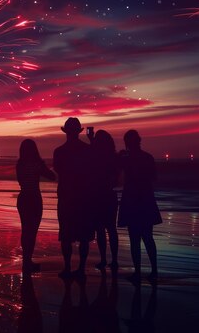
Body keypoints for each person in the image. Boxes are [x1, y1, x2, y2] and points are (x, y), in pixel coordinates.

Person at [53, 117, 94, 278]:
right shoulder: (87, 150)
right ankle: (81, 268)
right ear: (78, 132)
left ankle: (68, 267)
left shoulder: (59, 151)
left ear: (66, 132)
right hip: (83, 196)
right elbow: (93, 169)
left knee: (66, 235)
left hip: (66, 195)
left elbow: (59, 171)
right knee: (83, 236)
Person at [118, 130, 161, 283]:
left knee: (135, 238)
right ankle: (154, 270)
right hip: (145, 198)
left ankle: (138, 271)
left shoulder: (126, 159)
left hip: (132, 198)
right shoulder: (147, 157)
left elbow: (115, 172)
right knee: (147, 236)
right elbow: (154, 177)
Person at [16, 139, 56, 273]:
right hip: (33, 198)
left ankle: (26, 261)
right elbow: (51, 176)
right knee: (32, 231)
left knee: (25, 230)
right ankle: (28, 262)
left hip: (23, 197)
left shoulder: (20, 164)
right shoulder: (37, 164)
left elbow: (20, 180)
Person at [91, 130, 120, 271]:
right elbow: (117, 178)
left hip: (98, 195)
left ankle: (103, 259)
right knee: (111, 228)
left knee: (100, 229)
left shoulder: (95, 156)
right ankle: (114, 260)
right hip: (109, 195)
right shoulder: (113, 157)